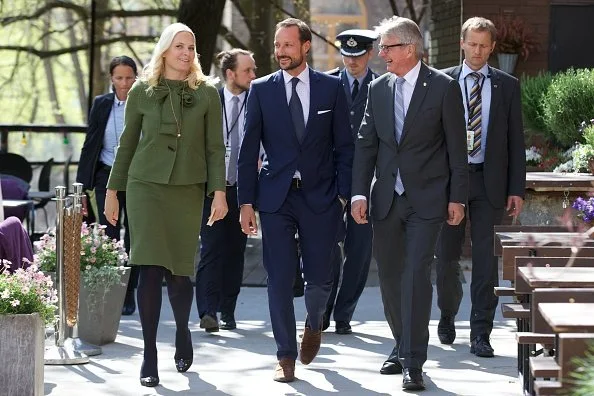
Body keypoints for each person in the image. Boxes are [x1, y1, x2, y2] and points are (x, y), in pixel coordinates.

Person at [104, 23, 227, 387]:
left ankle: (183, 333)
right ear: (164, 51)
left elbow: (215, 148)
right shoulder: (142, 91)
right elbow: (126, 145)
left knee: (178, 271)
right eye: (179, 47)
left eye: (191, 47)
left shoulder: (206, 94)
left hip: (187, 188)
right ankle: (149, 354)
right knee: (149, 268)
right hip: (145, 187)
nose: (187, 53)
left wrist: (218, 191)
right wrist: (113, 191)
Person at [351, 16, 468, 390]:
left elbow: (456, 149)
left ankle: (413, 362)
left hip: (427, 199)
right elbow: (367, 143)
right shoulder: (378, 89)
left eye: (387, 47)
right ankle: (402, 343)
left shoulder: (444, 88)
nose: (380, 53)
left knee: (417, 274)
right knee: (389, 277)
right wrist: (358, 192)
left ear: (410, 49)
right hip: (386, 198)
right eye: (381, 47)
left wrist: (457, 197)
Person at [237, 18, 353, 383]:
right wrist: (245, 202)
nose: (281, 51)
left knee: (320, 278)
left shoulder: (331, 89)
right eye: (277, 45)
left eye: (288, 45)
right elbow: (247, 150)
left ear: (305, 46)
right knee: (279, 278)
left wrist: (344, 195)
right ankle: (285, 356)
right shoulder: (261, 89)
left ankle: (315, 322)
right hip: (276, 197)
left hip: (321, 197)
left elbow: (345, 147)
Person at [434, 16, 525, 358]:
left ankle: (480, 332)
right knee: (445, 257)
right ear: (462, 43)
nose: (477, 51)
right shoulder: (442, 82)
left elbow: (516, 141)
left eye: (484, 45)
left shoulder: (507, 85)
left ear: (493, 47)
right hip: (450, 183)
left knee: (486, 261)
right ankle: (446, 314)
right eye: (472, 44)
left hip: (490, 182)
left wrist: (516, 188)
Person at [196, 48, 256, 333]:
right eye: (247, 71)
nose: (253, 75)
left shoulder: (257, 100)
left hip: (242, 190)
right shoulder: (210, 100)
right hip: (212, 190)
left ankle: (228, 310)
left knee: (235, 251)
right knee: (210, 249)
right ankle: (207, 311)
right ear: (230, 74)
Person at [323, 29, 379, 335]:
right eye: (346, 55)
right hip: (331, 178)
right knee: (327, 246)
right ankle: (324, 309)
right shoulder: (327, 83)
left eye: (357, 56)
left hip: (367, 180)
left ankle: (344, 314)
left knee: (359, 251)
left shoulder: (382, 86)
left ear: (369, 54)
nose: (351, 61)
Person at [76, 55, 139, 316]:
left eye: (129, 77)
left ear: (136, 77)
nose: (124, 83)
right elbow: (90, 144)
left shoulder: (142, 102)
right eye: (119, 78)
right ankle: (109, 291)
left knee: (135, 235)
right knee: (110, 233)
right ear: (111, 79)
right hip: (105, 176)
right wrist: (80, 188)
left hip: (136, 177)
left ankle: (129, 293)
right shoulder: (101, 104)